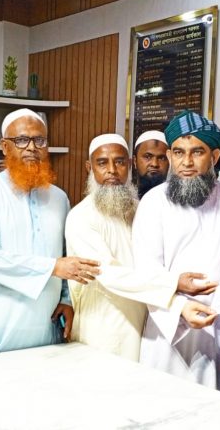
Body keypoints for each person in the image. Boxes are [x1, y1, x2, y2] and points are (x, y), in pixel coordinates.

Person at [133, 110, 220, 397]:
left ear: (214, 157)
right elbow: (146, 272)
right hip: (171, 327)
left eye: (197, 152)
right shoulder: (154, 203)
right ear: (170, 156)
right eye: (178, 152)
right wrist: (180, 308)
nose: (187, 162)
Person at [0, 108, 100, 357]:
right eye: (22, 140)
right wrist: (52, 267)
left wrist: (66, 299)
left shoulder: (58, 198)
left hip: (45, 323)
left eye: (39, 140)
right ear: (4, 146)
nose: (32, 148)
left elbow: (65, 253)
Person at [65, 134, 179, 361]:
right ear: (89, 167)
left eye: (119, 162)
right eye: (102, 163)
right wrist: (171, 285)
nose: (112, 170)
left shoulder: (140, 209)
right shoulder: (81, 216)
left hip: (145, 320)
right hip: (102, 326)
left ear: (129, 164)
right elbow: (106, 272)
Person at [132, 130, 169, 198]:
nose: (154, 164)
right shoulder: (127, 199)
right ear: (135, 161)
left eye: (162, 158)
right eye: (148, 157)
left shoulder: (176, 201)